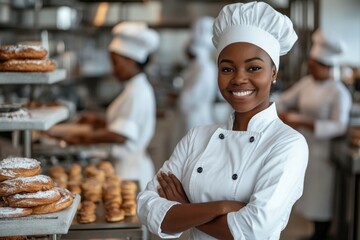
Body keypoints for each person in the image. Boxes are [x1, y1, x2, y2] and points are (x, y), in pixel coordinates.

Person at [137, 2, 309, 239]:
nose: (239, 79)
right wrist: (221, 207)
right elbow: (146, 205)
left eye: (254, 68)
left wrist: (185, 210)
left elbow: (254, 230)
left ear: (273, 73)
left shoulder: (288, 144)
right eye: (227, 69)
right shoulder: (197, 136)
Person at [64, 22, 160, 191]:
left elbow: (120, 136)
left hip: (129, 172)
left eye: (116, 63)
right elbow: (124, 124)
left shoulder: (137, 92)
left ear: (131, 60)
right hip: (127, 167)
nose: (113, 69)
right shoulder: (134, 88)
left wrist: (82, 138)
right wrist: (99, 121)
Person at [276, 29, 352, 240]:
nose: (311, 70)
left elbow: (339, 126)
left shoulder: (338, 92)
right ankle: (314, 233)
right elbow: (284, 99)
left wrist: (304, 122)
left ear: (327, 66)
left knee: (322, 199)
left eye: (314, 66)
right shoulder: (307, 83)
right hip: (305, 147)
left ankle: (321, 234)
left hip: (324, 152)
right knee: (308, 197)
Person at [178, 16, 218, 132]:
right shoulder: (198, 66)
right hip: (193, 116)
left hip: (196, 118)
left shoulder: (203, 68)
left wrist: (179, 99)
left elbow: (191, 97)